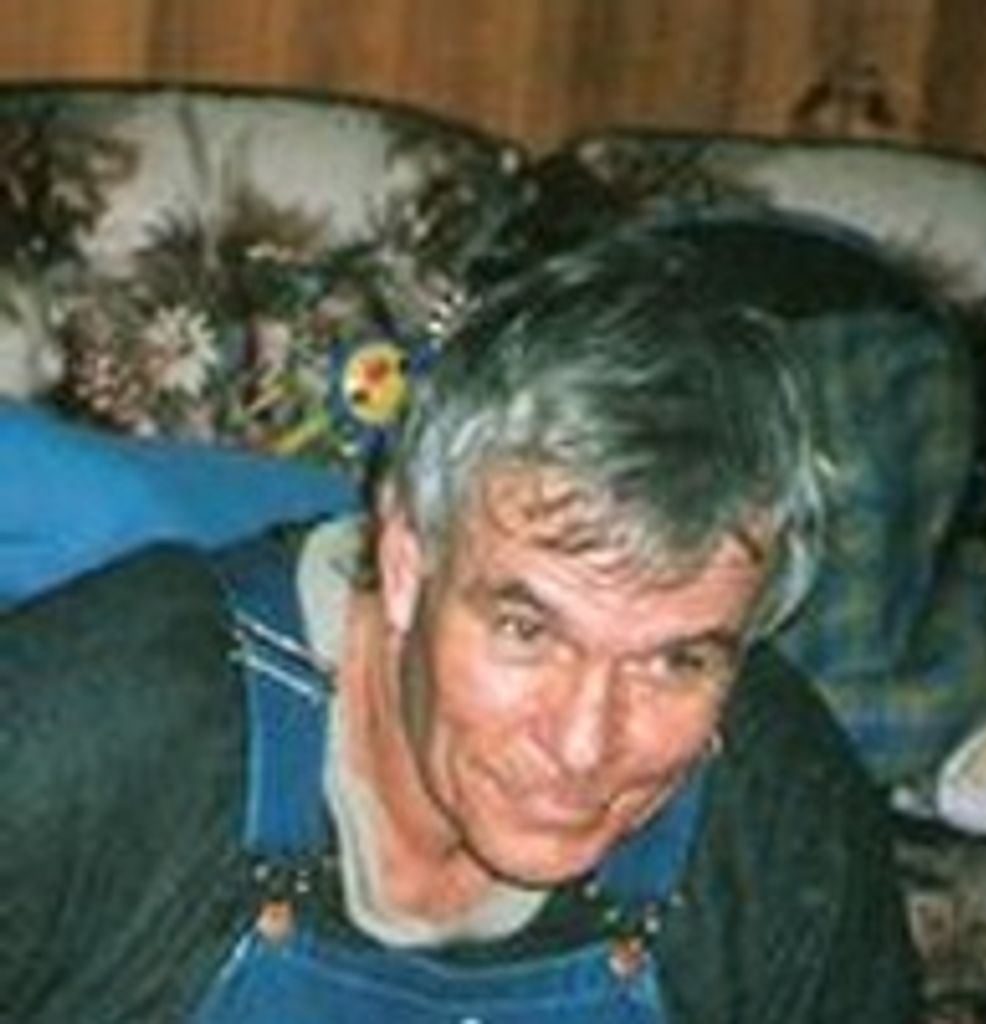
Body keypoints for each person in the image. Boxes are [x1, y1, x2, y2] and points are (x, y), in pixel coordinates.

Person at [2, 217, 921, 1022]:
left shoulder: (778, 807)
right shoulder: (85, 734)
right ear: (407, 562)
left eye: (675, 663)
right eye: (528, 631)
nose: (584, 746)